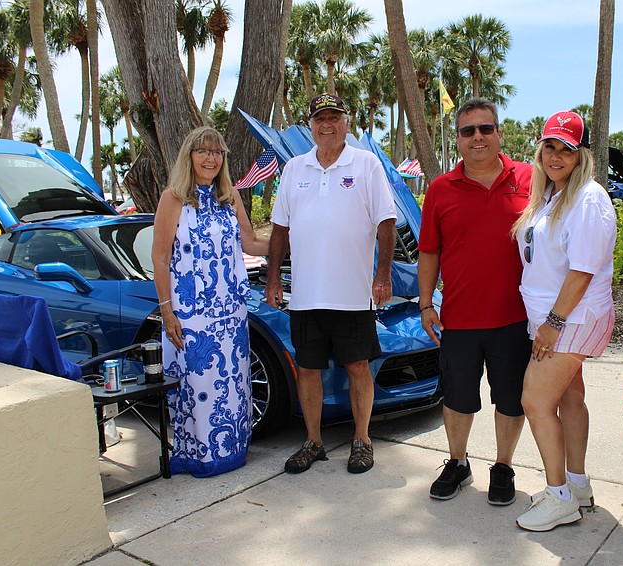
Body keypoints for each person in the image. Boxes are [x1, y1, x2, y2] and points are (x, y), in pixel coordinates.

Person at [265, 93, 396, 475]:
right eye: (320, 118)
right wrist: (273, 277)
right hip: (306, 296)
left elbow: (386, 222)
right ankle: (313, 442)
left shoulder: (367, 164)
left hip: (353, 295)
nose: (327, 124)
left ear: (346, 123)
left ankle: (362, 440)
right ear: (310, 125)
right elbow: (279, 229)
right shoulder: (294, 169)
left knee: (357, 367)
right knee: (307, 370)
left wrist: (383, 275)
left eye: (334, 118)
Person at [418, 97, 532, 506]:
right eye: (468, 131)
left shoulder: (531, 179)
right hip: (459, 319)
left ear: (499, 133)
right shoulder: (440, 189)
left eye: (485, 129)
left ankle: (503, 466)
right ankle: (457, 462)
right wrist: (426, 304)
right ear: (459, 140)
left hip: (516, 319)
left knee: (511, 399)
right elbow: (429, 251)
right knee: (457, 398)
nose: (477, 137)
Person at [511, 110, 616, 531]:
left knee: (535, 402)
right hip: (555, 319)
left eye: (566, 149)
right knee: (570, 398)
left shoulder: (589, 198)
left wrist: (552, 323)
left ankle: (559, 499)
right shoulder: (551, 195)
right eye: (549, 146)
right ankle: (577, 486)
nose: (555, 156)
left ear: (581, 155)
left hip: (570, 319)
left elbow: (583, 269)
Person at [152, 125, 269, 477]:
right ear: (189, 156)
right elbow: (159, 258)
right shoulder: (173, 198)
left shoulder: (229, 196)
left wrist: (292, 238)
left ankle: (231, 450)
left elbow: (250, 243)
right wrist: (166, 310)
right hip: (192, 316)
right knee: (199, 388)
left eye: (217, 152)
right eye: (203, 151)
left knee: (233, 382)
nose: (211, 158)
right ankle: (201, 456)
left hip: (230, 314)